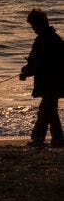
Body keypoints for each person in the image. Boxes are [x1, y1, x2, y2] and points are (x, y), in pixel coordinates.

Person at [18, 9, 64, 147]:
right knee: (49, 110)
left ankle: (41, 138)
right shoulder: (56, 39)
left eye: (33, 27)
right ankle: (57, 138)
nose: (33, 30)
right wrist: (28, 69)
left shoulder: (42, 40)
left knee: (46, 110)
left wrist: (26, 72)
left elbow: (39, 63)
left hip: (49, 82)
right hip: (58, 82)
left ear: (38, 25)